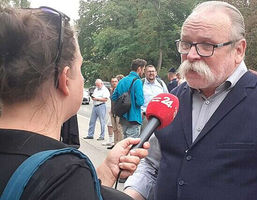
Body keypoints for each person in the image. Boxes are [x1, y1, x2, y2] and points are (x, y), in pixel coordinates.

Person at [124, 1, 257, 200]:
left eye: (206, 45)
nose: (191, 55)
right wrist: (130, 194)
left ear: (239, 50)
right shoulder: (170, 101)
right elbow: (151, 165)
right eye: (186, 44)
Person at [0, 6, 149, 200]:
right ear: (65, 79)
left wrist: (102, 174)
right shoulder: (64, 172)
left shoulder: (64, 175)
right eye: (80, 67)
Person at [111, 59, 146, 139]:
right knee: (132, 145)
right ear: (139, 69)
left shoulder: (122, 81)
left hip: (123, 117)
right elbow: (140, 102)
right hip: (134, 117)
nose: (143, 72)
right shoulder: (137, 81)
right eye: (143, 69)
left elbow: (114, 97)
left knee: (125, 142)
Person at [141, 65, 168, 130]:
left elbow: (167, 97)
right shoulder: (140, 83)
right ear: (145, 73)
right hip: (145, 117)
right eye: (149, 71)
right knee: (146, 138)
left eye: (153, 71)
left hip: (160, 116)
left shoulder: (161, 83)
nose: (151, 73)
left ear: (156, 73)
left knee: (160, 137)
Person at [106, 77, 123, 149]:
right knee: (114, 129)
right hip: (113, 112)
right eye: (112, 81)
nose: (114, 83)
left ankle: (120, 145)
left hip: (118, 112)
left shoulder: (119, 90)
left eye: (115, 81)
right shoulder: (111, 90)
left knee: (119, 129)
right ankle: (115, 144)